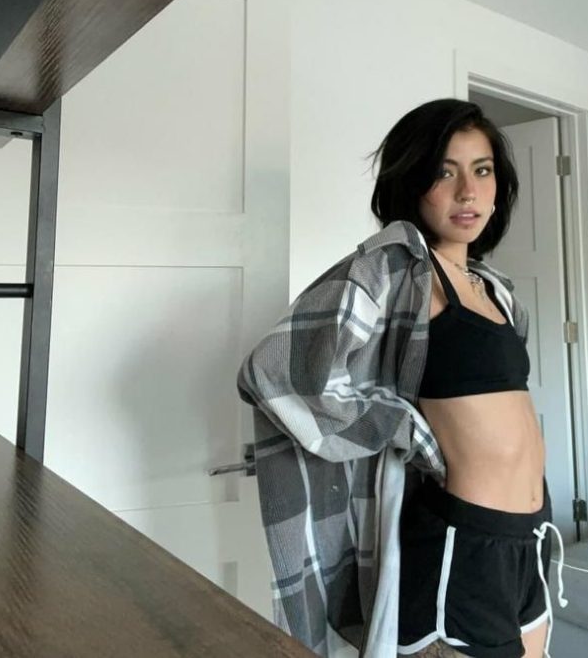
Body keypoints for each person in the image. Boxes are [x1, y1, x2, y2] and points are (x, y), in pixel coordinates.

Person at [237, 98, 567, 658]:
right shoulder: (394, 270)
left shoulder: (496, 289)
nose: (468, 191)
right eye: (445, 172)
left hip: (531, 531)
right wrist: (404, 428)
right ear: (413, 180)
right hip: (462, 539)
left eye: (482, 170)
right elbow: (271, 372)